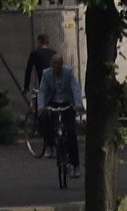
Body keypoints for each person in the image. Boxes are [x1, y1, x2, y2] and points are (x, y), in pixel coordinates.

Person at [32, 49, 86, 189]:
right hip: (53, 102)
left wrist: (78, 104)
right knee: (45, 119)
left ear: (62, 64)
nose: (56, 66)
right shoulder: (46, 74)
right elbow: (42, 91)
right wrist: (41, 106)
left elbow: (75, 88)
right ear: (51, 64)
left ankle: (75, 164)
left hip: (67, 103)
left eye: (59, 63)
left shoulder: (68, 73)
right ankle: (50, 145)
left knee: (71, 133)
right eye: (54, 63)